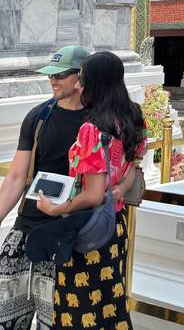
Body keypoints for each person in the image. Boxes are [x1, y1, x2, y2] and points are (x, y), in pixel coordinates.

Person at [36, 51, 147, 330]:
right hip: (115, 227)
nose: (80, 87)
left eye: (83, 81)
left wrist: (56, 209)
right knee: (110, 308)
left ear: (95, 84)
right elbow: (132, 168)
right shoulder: (133, 118)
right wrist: (119, 188)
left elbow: (93, 195)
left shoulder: (92, 129)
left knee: (79, 311)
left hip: (87, 230)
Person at [0, 45, 91, 330]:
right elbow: (15, 177)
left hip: (68, 238)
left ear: (81, 77)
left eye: (60, 75)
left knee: (57, 322)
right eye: (50, 75)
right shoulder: (38, 117)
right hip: (26, 231)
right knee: (7, 319)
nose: (53, 81)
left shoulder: (96, 122)